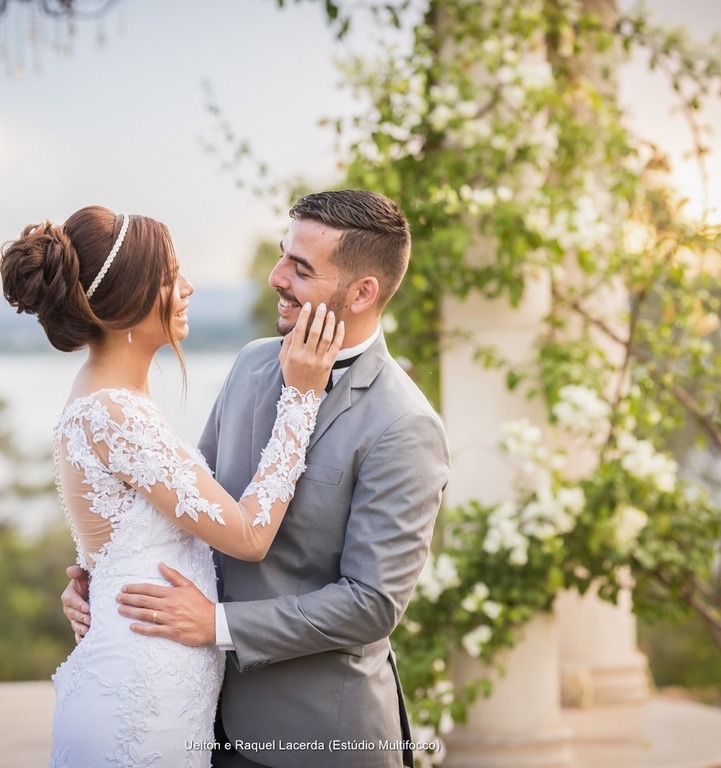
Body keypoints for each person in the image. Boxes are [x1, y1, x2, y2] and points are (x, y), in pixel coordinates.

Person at [63, 190, 451, 768]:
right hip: (196, 717)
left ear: (363, 292)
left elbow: (371, 604)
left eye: (301, 268)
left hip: (317, 736)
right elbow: (190, 509)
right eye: (281, 256)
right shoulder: (250, 365)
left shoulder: (404, 424)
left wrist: (215, 624)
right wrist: (108, 575)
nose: (275, 277)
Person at [0, 205, 344, 768]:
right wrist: (302, 397)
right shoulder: (115, 412)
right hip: (138, 698)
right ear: (130, 297)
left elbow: (129, 531)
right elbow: (249, 535)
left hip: (158, 684)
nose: (186, 287)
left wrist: (96, 580)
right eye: (170, 275)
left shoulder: (114, 402)